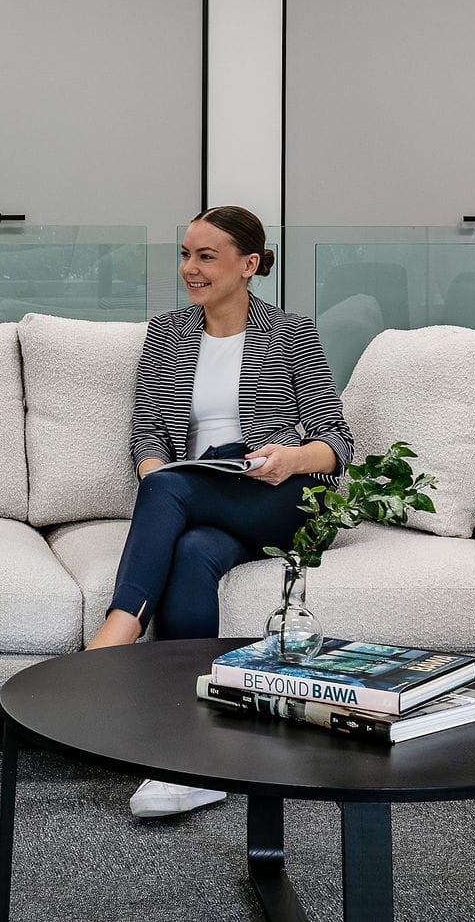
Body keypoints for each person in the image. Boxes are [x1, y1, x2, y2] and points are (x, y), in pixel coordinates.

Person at [86, 204, 353, 821]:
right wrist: (158, 474)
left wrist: (289, 459)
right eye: (185, 254)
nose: (190, 268)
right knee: (190, 551)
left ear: (249, 265)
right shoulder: (167, 333)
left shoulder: (291, 333)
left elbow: (336, 442)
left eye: (206, 256)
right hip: (205, 494)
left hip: (281, 497)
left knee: (170, 493)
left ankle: (115, 637)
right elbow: (147, 437)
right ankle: (195, 759)